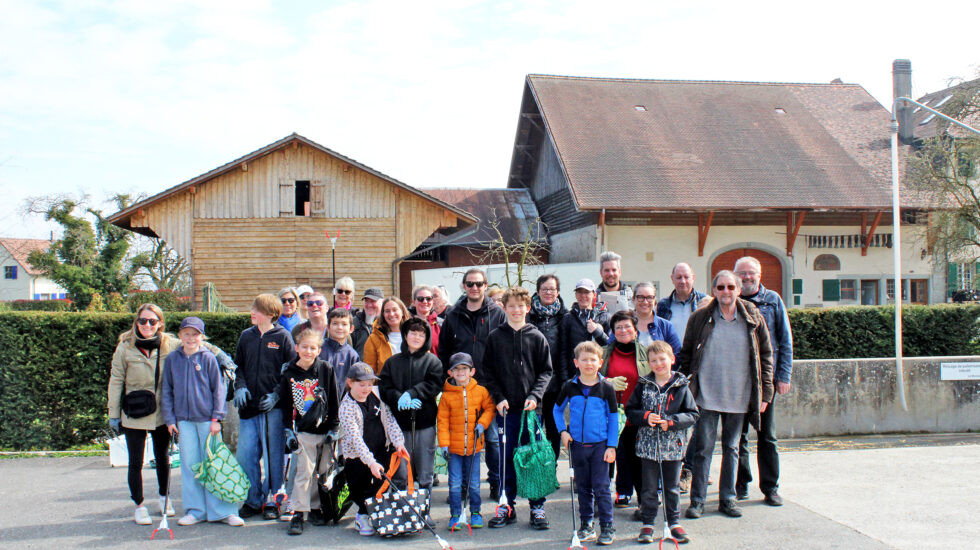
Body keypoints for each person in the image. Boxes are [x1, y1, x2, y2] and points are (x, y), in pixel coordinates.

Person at [107, 304, 236, 525]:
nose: (147, 325)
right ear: (136, 322)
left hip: (162, 412)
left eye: (152, 321)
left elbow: (198, 342)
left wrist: (224, 358)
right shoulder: (125, 346)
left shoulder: (169, 343)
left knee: (164, 459)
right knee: (137, 462)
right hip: (137, 410)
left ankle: (166, 499)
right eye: (143, 321)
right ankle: (140, 506)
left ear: (160, 323)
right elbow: (117, 379)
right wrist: (113, 412)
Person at [678, 270, 774, 520]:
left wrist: (766, 391)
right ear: (714, 290)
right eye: (720, 288)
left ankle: (727, 499)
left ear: (738, 290)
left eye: (731, 287)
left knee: (732, 448)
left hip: (739, 394)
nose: (726, 292)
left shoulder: (752, 316)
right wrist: (686, 391)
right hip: (707, 395)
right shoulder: (700, 318)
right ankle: (697, 501)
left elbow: (765, 355)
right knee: (702, 449)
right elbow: (686, 355)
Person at [481, 286, 553, 530]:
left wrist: (535, 395)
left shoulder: (536, 336)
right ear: (504, 307)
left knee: (533, 458)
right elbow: (487, 372)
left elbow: (546, 371)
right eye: (511, 306)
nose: (515, 310)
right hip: (505, 410)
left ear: (528, 308)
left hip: (531, 412)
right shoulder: (495, 337)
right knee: (506, 459)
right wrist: (498, 397)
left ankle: (537, 507)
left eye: (520, 306)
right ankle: (505, 504)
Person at [160, 316, 244, 527]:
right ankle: (195, 510)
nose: (190, 338)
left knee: (213, 465)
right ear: (180, 335)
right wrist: (170, 419)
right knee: (190, 466)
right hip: (183, 421)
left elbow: (219, 390)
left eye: (195, 334)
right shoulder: (172, 359)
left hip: (208, 420)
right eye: (186, 334)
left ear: (201, 336)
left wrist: (217, 418)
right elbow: (167, 391)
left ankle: (223, 511)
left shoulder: (208, 358)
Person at [438, 268, 506, 499]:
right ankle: (463, 486)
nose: (474, 288)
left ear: (485, 286)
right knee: (463, 441)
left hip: (490, 387)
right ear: (464, 287)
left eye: (478, 284)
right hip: (461, 389)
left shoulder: (498, 314)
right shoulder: (454, 315)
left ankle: (497, 483)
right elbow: (444, 351)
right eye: (470, 284)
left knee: (494, 440)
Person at [626, 340, 699, 545]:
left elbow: (692, 414)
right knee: (649, 488)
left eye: (662, 359)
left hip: (673, 448)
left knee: (672, 487)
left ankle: (673, 522)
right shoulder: (643, 384)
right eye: (654, 360)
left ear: (672, 360)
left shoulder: (681, 386)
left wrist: (672, 422)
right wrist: (646, 416)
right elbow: (631, 411)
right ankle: (648, 523)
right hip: (648, 448)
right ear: (648, 363)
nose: (658, 364)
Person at [734, 256, 793, 507]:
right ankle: (741, 484)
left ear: (760, 275)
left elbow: (785, 340)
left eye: (751, 273)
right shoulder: (728, 300)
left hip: (765, 381)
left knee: (767, 435)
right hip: (735, 380)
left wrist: (783, 376)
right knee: (737, 436)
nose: (746, 278)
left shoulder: (773, 300)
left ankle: (770, 487)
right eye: (742, 273)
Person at [233, 294, 297, 520]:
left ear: (270, 314)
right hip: (248, 408)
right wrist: (239, 387)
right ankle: (253, 500)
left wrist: (277, 396)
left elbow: (291, 372)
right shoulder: (245, 336)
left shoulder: (283, 337)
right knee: (246, 456)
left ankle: (273, 499)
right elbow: (238, 367)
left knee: (274, 457)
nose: (252, 312)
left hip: (273, 409)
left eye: (257, 309)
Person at [553, 341, 619, 546]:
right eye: (584, 360)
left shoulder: (606, 387)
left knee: (601, 487)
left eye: (593, 360)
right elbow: (556, 410)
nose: (588, 363)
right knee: (582, 487)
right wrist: (562, 431)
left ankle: (607, 526)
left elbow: (614, 417)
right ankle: (586, 524)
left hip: (600, 446)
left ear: (600, 363)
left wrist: (612, 445)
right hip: (578, 447)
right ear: (576, 363)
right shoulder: (569, 387)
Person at [278, 328, 341, 535]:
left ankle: (315, 507)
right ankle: (298, 512)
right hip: (304, 431)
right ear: (296, 348)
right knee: (304, 472)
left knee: (322, 472)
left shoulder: (326, 369)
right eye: (304, 347)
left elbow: (333, 399)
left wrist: (334, 427)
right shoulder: (289, 374)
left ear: (319, 350)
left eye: (313, 348)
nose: (308, 351)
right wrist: (288, 431)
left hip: (325, 430)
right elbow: (286, 406)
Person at [339, 362, 408, 536]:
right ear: (350, 383)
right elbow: (355, 439)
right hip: (357, 455)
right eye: (361, 384)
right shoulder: (346, 407)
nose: (366, 388)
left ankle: (372, 511)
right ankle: (362, 515)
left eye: (370, 384)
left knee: (380, 484)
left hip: (380, 448)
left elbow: (390, 420)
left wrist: (399, 443)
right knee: (358, 486)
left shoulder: (377, 396)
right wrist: (370, 462)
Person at [378, 317, 443, 500]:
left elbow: (434, 384)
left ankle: (424, 509)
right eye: (413, 333)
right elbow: (385, 387)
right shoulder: (392, 362)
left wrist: (413, 393)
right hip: (399, 424)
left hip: (424, 422)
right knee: (400, 470)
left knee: (424, 471)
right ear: (405, 335)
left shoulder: (433, 361)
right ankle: (401, 509)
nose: (416, 337)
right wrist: (398, 398)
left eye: (421, 334)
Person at [438, 352, 495, 531]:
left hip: (474, 446)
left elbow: (490, 408)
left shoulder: (481, 391)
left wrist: (482, 424)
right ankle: (455, 514)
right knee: (454, 483)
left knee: (474, 483)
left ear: (472, 371)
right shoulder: (446, 396)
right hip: (454, 448)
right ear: (450, 372)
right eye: (457, 369)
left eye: (464, 369)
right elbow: (442, 421)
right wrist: (444, 443)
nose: (461, 372)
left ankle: (476, 512)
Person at [600, 309, 649, 511]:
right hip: (611, 414)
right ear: (612, 331)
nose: (623, 330)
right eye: (618, 327)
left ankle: (644, 497)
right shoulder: (603, 353)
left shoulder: (647, 352)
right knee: (615, 455)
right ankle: (621, 491)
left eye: (627, 326)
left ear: (635, 330)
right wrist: (606, 381)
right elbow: (590, 379)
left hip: (637, 413)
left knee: (637, 457)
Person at [526, 274, 568, 458]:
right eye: (545, 289)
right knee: (532, 430)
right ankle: (534, 471)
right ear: (538, 291)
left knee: (553, 429)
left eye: (552, 289)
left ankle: (552, 467)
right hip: (532, 382)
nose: (549, 292)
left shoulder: (565, 317)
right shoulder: (528, 316)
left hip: (556, 382)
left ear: (558, 292)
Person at [558, 279, 611, 393]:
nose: (583, 296)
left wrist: (598, 332)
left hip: (599, 376)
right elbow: (563, 351)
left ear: (594, 294)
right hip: (575, 376)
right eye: (580, 292)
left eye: (586, 292)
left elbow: (610, 344)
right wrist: (564, 380)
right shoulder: (568, 318)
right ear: (576, 295)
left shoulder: (604, 317)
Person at [655, 263, 706, 343]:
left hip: (695, 354)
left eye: (686, 277)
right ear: (672, 279)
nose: (683, 281)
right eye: (679, 277)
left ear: (693, 278)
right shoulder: (663, 305)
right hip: (671, 354)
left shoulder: (704, 302)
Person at [363, 297, 410, 375]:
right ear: (383, 315)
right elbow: (369, 371)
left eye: (395, 310)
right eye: (387, 311)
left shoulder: (415, 334)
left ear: (402, 311)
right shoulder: (374, 339)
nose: (391, 314)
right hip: (385, 385)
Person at [633, 282, 681, 355]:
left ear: (655, 300)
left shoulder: (666, 326)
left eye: (649, 297)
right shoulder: (623, 324)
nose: (645, 302)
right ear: (633, 299)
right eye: (640, 297)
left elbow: (676, 354)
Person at [409, 284, 442, 356]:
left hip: (436, 366)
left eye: (428, 299)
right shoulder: (407, 324)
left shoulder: (441, 324)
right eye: (420, 299)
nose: (425, 301)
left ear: (432, 301)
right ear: (414, 302)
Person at [352, 287, 384, 357]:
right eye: (366, 301)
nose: (369, 305)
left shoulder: (387, 323)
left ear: (382, 302)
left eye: (373, 301)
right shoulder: (354, 323)